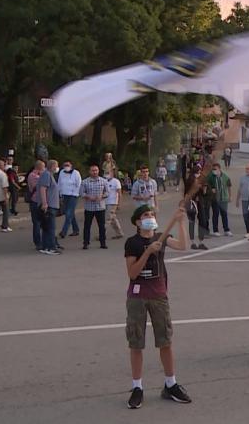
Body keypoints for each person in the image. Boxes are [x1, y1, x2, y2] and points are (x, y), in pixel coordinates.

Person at [124, 204, 192, 408]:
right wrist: (147, 253)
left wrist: (181, 223)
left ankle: (170, 384)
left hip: (159, 295)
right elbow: (132, 273)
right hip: (137, 298)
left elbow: (182, 246)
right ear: (137, 221)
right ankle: (137, 387)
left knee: (165, 340)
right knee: (136, 342)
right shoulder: (132, 243)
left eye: (152, 215)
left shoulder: (161, 237)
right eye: (146, 215)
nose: (150, 218)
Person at [80, 165, 109, 250]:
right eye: (93, 170)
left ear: (98, 171)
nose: (95, 172)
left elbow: (108, 192)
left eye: (96, 170)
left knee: (102, 226)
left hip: (100, 207)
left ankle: (103, 243)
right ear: (90, 171)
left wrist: (102, 196)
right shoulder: (85, 182)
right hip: (89, 207)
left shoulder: (103, 181)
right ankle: (86, 243)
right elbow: (81, 193)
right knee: (87, 226)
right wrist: (89, 197)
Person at [38, 160, 62, 255]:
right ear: (52, 166)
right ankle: (51, 247)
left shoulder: (49, 175)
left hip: (51, 205)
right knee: (51, 227)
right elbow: (43, 189)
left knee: (47, 227)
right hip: (49, 205)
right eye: (56, 166)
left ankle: (45, 246)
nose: (57, 168)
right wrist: (44, 203)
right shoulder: (46, 175)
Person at [58, 161, 82, 239]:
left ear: (71, 165)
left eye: (68, 165)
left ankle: (63, 232)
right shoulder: (61, 172)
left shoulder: (76, 173)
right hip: (64, 195)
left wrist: (76, 193)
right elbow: (59, 183)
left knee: (68, 213)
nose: (66, 166)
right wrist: (59, 194)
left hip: (73, 195)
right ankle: (76, 229)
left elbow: (79, 184)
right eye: (65, 165)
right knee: (69, 213)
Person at [206, 163, 232, 237]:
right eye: (213, 169)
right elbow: (206, 184)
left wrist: (230, 196)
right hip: (215, 199)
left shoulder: (225, 177)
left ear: (219, 169)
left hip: (223, 198)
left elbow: (229, 186)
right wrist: (211, 189)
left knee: (224, 214)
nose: (214, 171)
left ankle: (226, 229)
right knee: (215, 214)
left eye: (215, 169)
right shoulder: (211, 177)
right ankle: (215, 230)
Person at [27, 161, 44, 250]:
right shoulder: (33, 176)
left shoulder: (35, 174)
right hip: (36, 200)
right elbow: (40, 184)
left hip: (37, 200)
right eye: (43, 167)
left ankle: (40, 240)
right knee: (37, 222)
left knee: (40, 222)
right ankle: (38, 242)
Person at [237, 164, 249, 239]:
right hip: (244, 200)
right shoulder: (242, 178)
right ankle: (248, 231)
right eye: (246, 169)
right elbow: (240, 189)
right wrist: (237, 199)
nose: (247, 170)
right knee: (245, 216)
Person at [105, 170, 124, 239]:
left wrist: (119, 204)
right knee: (113, 219)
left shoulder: (116, 181)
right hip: (105, 202)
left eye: (108, 173)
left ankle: (102, 234)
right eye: (105, 173)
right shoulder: (104, 181)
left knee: (107, 218)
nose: (106, 174)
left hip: (113, 202)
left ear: (112, 174)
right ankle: (119, 233)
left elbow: (119, 193)